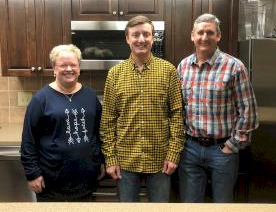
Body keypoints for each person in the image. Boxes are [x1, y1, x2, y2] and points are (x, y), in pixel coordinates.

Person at [100, 15, 185, 202]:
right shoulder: (115, 74)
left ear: (153, 38)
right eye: (135, 35)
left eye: (146, 34)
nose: (141, 39)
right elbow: (108, 120)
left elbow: (177, 115)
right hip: (125, 161)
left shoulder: (168, 71)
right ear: (127, 39)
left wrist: (173, 154)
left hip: (160, 161)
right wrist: (111, 158)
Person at [177, 13, 259, 203]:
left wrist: (232, 145)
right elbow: (177, 108)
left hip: (222, 150)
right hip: (190, 149)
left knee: (223, 205)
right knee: (190, 205)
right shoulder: (183, 67)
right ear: (192, 35)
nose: (204, 37)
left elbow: (249, 112)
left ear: (218, 36)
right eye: (200, 32)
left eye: (210, 33)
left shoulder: (234, 67)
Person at [21, 44, 105, 202]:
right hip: (51, 182)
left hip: (85, 180)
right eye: (63, 65)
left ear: (79, 68)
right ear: (54, 68)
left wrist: (100, 161)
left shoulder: (90, 96)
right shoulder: (41, 99)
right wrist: (33, 174)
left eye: (73, 65)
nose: (69, 69)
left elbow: (99, 132)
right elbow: (28, 141)